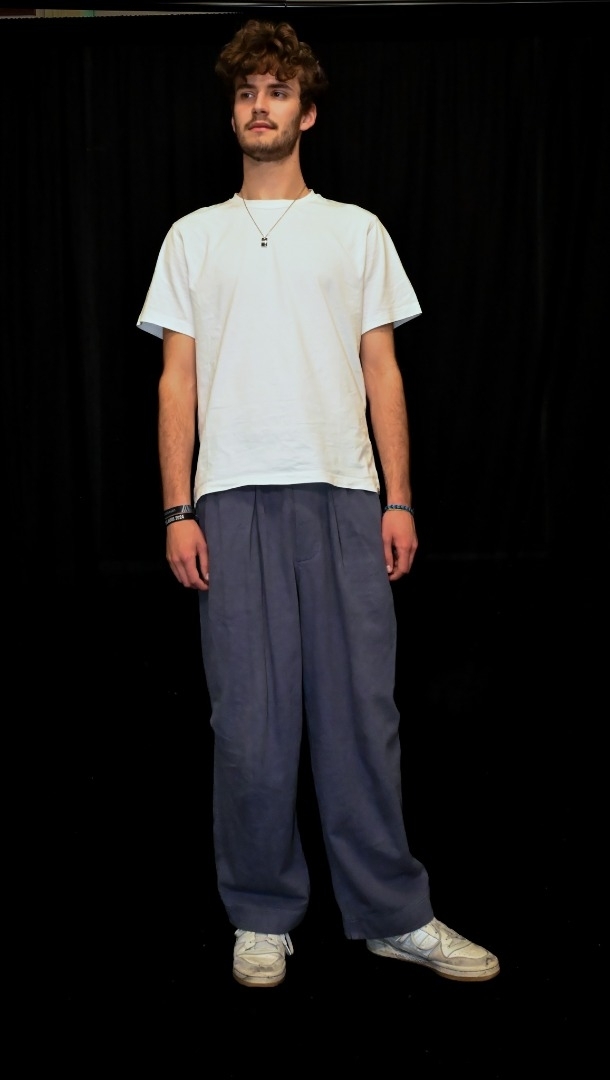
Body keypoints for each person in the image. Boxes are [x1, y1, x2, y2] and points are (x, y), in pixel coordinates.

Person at [137, 18, 499, 989]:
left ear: (307, 112)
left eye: (277, 91)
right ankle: (261, 914)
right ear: (232, 115)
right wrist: (177, 510)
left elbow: (383, 371)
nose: (259, 106)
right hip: (230, 502)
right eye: (245, 93)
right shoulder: (192, 237)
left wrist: (399, 500)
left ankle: (393, 913)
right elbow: (177, 381)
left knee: (360, 719)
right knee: (250, 725)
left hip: (344, 495)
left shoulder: (356, 230)